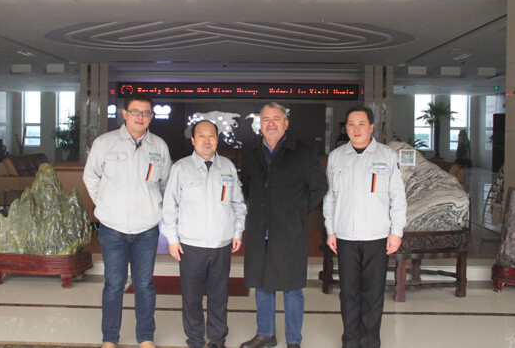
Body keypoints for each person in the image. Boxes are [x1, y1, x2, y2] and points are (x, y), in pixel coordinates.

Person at [83, 93, 172, 348]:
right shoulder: (105, 143)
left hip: (147, 230)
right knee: (114, 284)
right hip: (113, 229)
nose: (140, 117)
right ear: (124, 114)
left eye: (145, 113)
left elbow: (165, 183)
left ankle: (146, 337)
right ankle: (110, 338)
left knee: (144, 284)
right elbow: (91, 177)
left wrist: (155, 207)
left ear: (151, 117)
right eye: (135, 111)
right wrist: (105, 204)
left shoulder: (159, 146)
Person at [239, 102, 328, 348]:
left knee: (292, 288)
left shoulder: (304, 151)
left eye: (276, 119)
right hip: (259, 229)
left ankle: (293, 340)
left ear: (286, 123)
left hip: (290, 229)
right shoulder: (251, 151)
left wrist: (296, 211)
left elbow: (319, 187)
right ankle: (265, 334)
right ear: (260, 124)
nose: (271, 124)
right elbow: (248, 186)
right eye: (265, 119)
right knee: (262, 284)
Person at [323, 105, 407, 348]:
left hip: (377, 237)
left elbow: (398, 197)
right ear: (346, 128)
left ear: (371, 127)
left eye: (361, 124)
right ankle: (350, 342)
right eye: (351, 124)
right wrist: (330, 230)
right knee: (348, 294)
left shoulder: (387, 156)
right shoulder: (336, 157)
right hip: (345, 237)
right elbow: (330, 197)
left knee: (373, 294)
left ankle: (370, 342)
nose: (356, 129)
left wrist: (396, 232)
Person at [162, 120, 247, 348]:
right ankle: (195, 340)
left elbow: (238, 204)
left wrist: (237, 232)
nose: (207, 140)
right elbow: (169, 206)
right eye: (201, 135)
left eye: (211, 135)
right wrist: (172, 239)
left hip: (221, 245)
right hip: (191, 246)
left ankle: (217, 340)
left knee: (219, 297)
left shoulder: (228, 167)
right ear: (193, 140)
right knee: (192, 298)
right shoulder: (181, 168)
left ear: (217, 139)